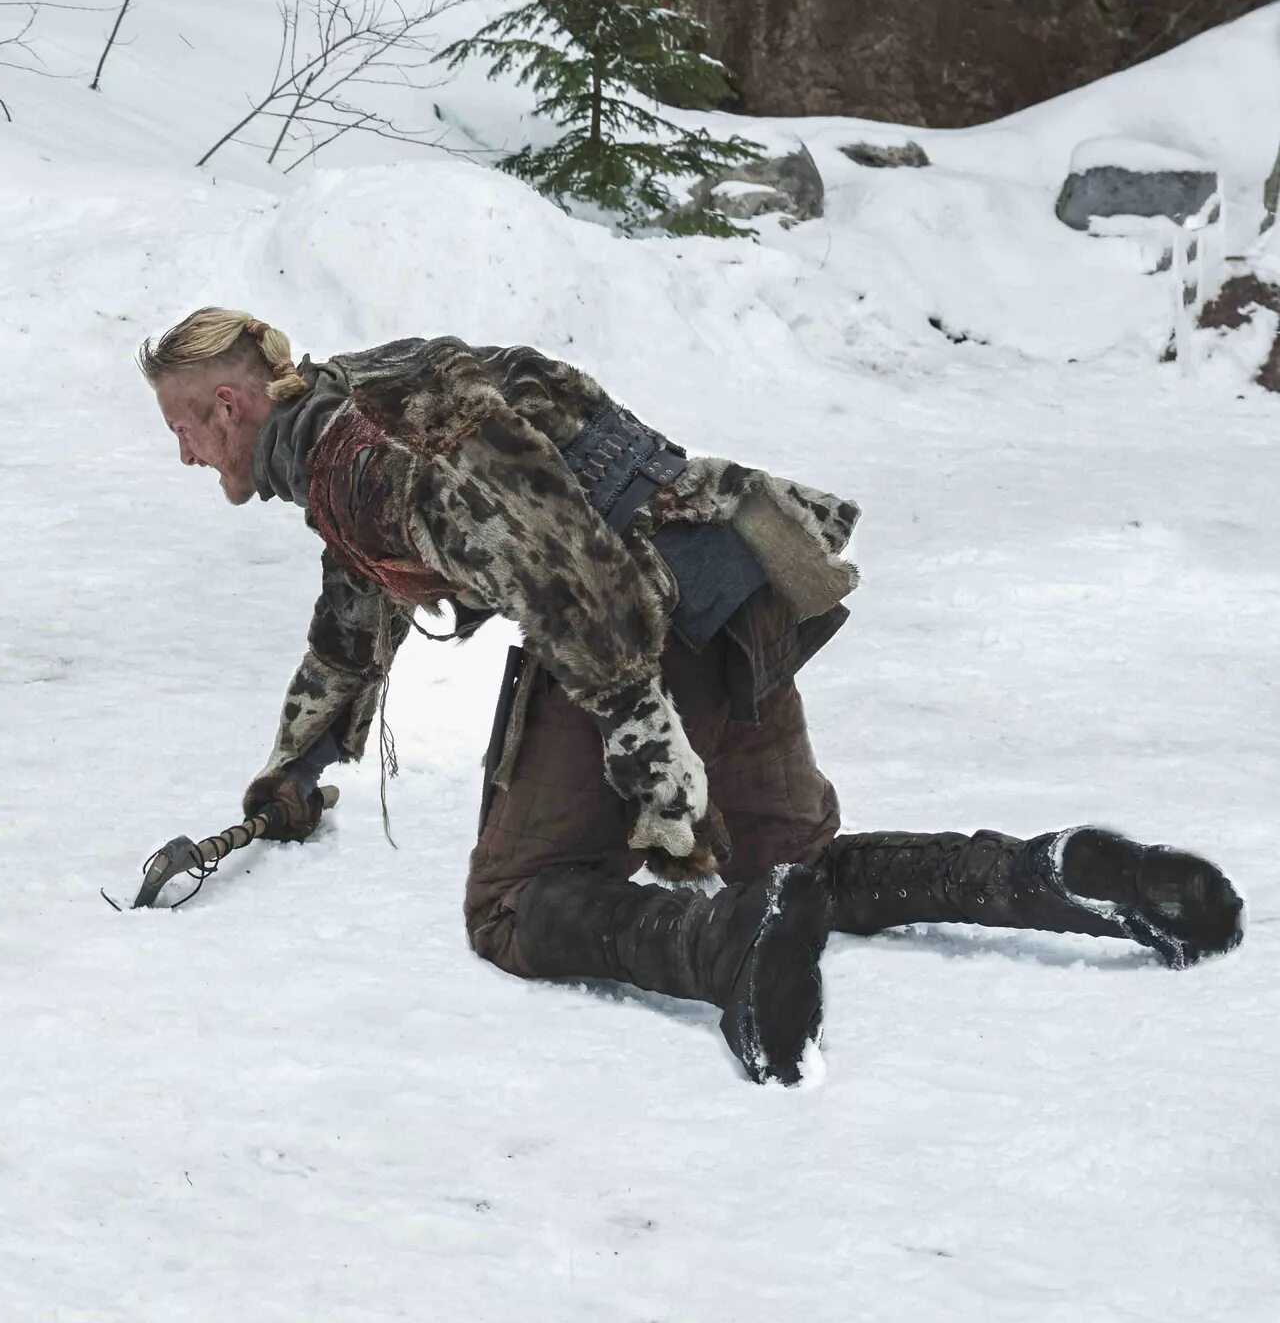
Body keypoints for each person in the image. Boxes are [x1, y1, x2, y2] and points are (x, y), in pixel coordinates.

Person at [141, 307, 1245, 1084]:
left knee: (513, 904)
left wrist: (643, 740)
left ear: (231, 405)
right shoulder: (358, 410)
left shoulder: (354, 462)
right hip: (732, 581)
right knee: (797, 863)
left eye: (185, 428)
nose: (185, 457)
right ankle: (1048, 874)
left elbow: (558, 562)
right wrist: (293, 767)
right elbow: (354, 612)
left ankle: (727, 954)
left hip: (640, 617)